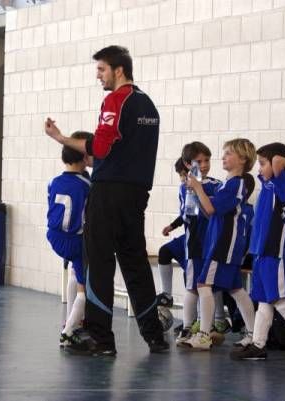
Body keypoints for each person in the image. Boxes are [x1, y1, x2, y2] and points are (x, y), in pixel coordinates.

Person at [44, 45, 167, 355]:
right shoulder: (148, 105)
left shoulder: (115, 99)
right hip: (137, 195)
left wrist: (61, 139)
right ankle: (154, 335)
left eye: (101, 70)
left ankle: (101, 339)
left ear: (118, 70)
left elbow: (101, 146)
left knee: (98, 261)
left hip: (109, 191)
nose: (98, 76)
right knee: (135, 263)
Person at [230, 142, 285, 362]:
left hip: (274, 249)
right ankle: (258, 344)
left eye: (262, 163)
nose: (258, 168)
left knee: (278, 298)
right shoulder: (268, 183)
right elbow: (274, 163)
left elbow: (279, 161)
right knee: (263, 300)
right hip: (260, 250)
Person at [181, 139, 257, 351]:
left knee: (203, 284)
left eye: (229, 154)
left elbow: (212, 209)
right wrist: (197, 192)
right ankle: (253, 333)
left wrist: (198, 187)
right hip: (222, 241)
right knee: (236, 289)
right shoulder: (227, 184)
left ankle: (204, 334)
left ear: (242, 159)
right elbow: (207, 209)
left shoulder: (236, 183)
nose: (223, 157)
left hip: (225, 243)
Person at [46, 131, 93, 347]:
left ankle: (70, 320)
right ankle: (68, 331)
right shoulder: (86, 184)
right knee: (85, 286)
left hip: (54, 235)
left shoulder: (53, 181)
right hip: (76, 239)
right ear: (84, 156)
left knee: (74, 272)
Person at [174, 142, 222, 347]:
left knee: (206, 286)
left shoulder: (216, 185)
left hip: (211, 242)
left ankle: (207, 329)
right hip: (193, 242)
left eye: (207, 160)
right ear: (187, 164)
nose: (204, 165)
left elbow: (213, 211)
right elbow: (187, 215)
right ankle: (187, 327)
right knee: (192, 287)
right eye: (198, 161)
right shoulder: (184, 187)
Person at [156, 158, 189, 305]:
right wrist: (172, 226)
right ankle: (167, 295)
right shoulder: (183, 188)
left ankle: (195, 319)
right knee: (164, 251)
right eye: (181, 175)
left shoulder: (208, 186)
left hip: (201, 238)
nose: (182, 178)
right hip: (189, 235)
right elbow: (186, 214)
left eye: (184, 174)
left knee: (191, 278)